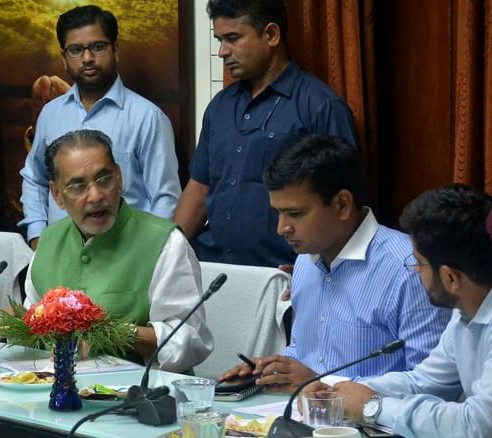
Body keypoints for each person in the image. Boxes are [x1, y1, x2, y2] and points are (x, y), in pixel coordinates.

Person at [218, 134, 450, 393]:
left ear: (342, 204)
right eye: (278, 213)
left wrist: (323, 385)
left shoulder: (410, 268)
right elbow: (305, 352)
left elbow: (434, 387)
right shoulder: (306, 260)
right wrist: (269, 371)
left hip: (373, 417)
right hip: (301, 411)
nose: (281, 228)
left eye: (296, 213)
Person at [174, 0, 357, 267]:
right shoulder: (219, 106)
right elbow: (199, 188)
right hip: (212, 266)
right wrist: (168, 255)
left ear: (271, 34)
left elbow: (344, 203)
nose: (222, 51)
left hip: (282, 272)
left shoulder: (320, 106)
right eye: (219, 40)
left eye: (233, 38)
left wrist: (315, 273)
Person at [24, 129, 212, 372]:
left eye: (104, 179)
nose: (95, 196)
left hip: (140, 389)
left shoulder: (165, 242)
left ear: (119, 178)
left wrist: (116, 334)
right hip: (58, 386)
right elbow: (32, 322)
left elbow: (191, 340)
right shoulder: (48, 242)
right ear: (57, 195)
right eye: (78, 186)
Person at [317, 184, 492, 438]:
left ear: (451, 278)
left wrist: (373, 407)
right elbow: (423, 382)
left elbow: (476, 425)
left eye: (419, 263)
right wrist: (340, 392)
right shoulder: (464, 311)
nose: (415, 270)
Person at [19, 4, 181, 249]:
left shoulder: (147, 117)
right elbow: (34, 178)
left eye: (97, 47)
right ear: (64, 57)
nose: (87, 58)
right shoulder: (51, 114)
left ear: (115, 50)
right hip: (60, 254)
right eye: (76, 50)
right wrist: (37, 236)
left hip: (124, 255)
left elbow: (165, 198)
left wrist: (148, 254)